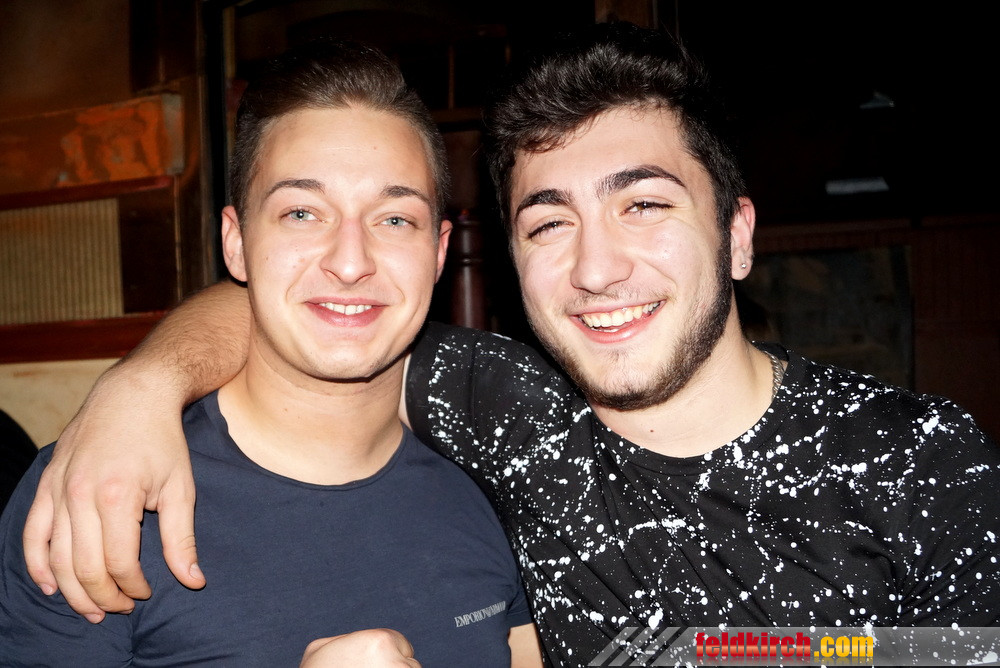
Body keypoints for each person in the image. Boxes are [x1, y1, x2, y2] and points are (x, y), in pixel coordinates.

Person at [19, 22, 1000, 666]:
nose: (597, 268)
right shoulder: (506, 414)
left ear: (737, 233)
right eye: (548, 222)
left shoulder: (920, 462)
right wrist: (140, 387)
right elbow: (321, 307)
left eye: (644, 204)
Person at [0, 38, 542, 667]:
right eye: (302, 213)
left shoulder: (495, 475)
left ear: (440, 252)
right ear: (236, 243)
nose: (350, 262)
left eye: (395, 219)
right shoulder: (105, 491)